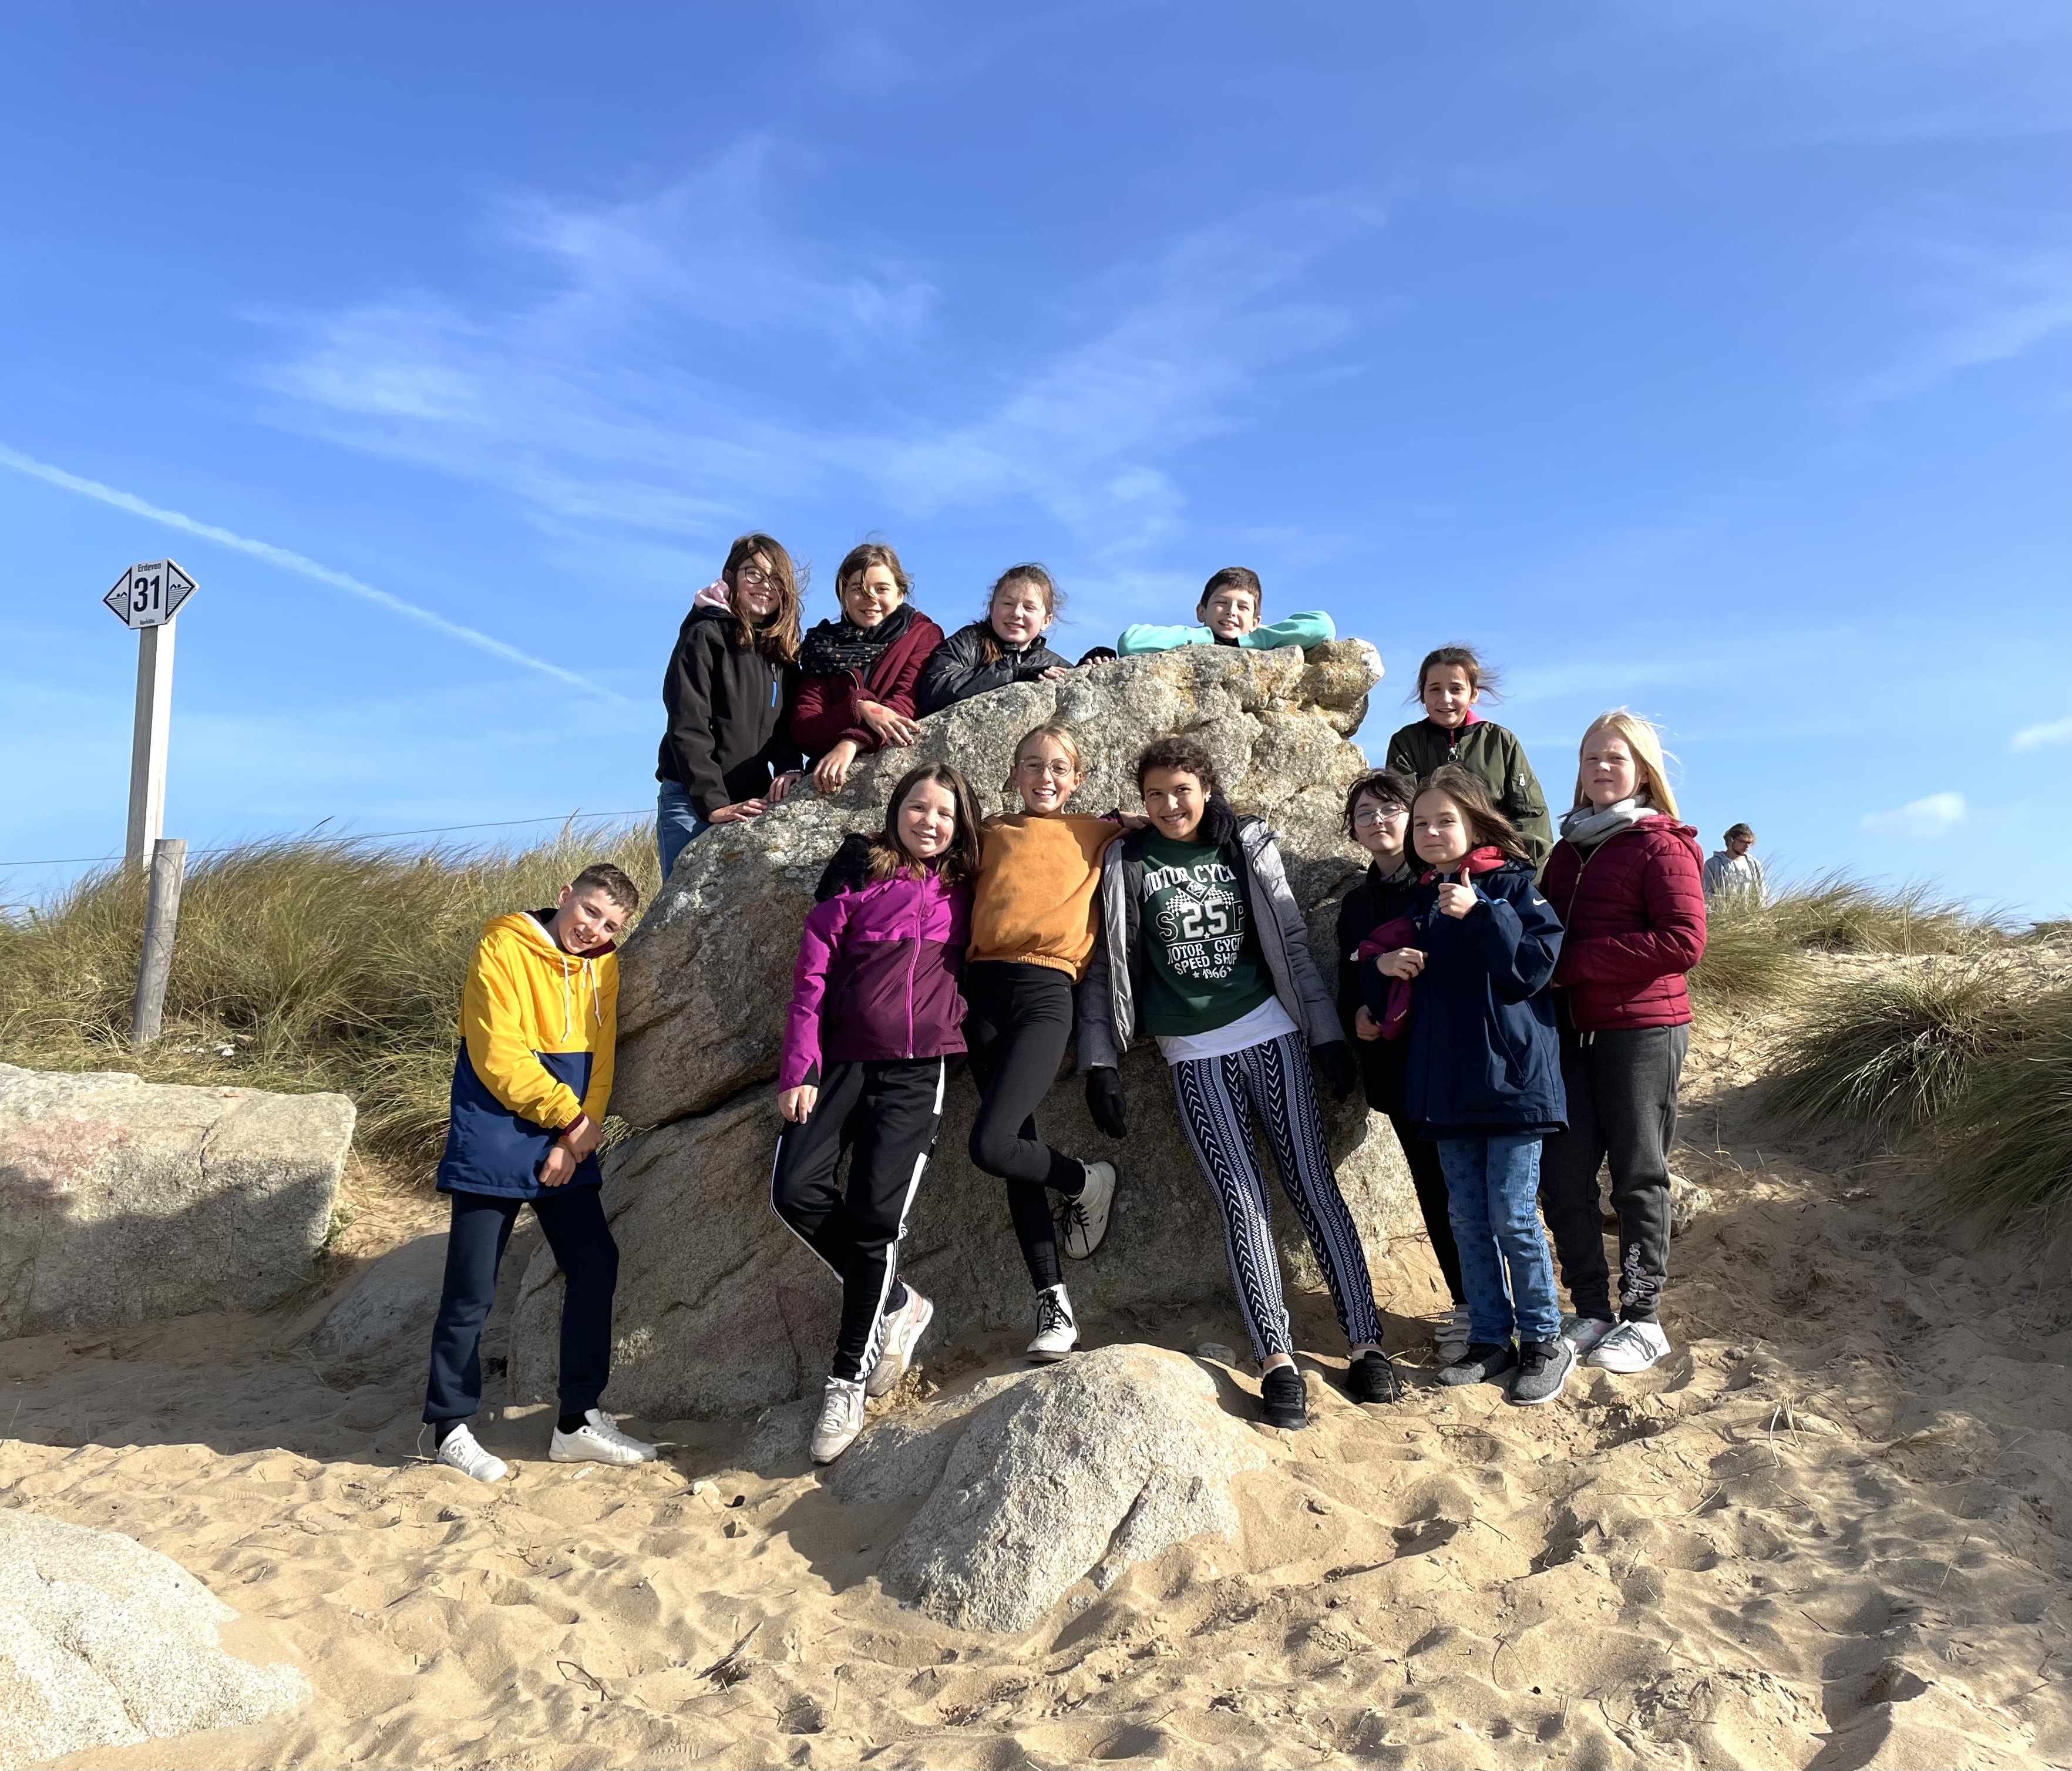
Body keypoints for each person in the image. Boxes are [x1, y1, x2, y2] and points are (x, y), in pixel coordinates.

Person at [1081, 735, 1397, 1429]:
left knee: (1313, 1185)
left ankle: (1366, 1342)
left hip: (1271, 1034)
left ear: (1207, 789)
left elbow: (1289, 943)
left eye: (1183, 790)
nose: (1170, 804)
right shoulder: (1127, 860)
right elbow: (1106, 966)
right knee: (1242, 1200)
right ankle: (1277, 1359)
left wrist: (1327, 1034)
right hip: (1192, 1053)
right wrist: (1100, 1061)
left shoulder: (1244, 843)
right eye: (1156, 794)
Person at [771, 763, 981, 1463]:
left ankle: (847, 1380)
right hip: (840, 1063)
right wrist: (800, 1067)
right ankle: (897, 1304)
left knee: (874, 1224)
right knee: (793, 1190)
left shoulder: (967, 885)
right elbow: (812, 974)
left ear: (960, 825)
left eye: (945, 813)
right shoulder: (858, 870)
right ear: (896, 810)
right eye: (919, 807)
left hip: (919, 1073)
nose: (930, 821)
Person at [423, 863, 656, 1483]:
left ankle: (577, 1421)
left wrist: (574, 1139)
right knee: (472, 1286)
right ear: (564, 896)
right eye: (589, 911)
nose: (595, 929)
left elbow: (601, 1059)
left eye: (610, 924)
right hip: (494, 1129)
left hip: (565, 1138)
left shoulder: (604, 964)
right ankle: (449, 1427)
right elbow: (497, 1054)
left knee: (595, 1263)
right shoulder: (502, 944)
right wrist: (569, 1121)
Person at [1358, 765, 1569, 1406]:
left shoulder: (1514, 888)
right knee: (1468, 1218)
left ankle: (1545, 1340)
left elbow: (1532, 969)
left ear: (1475, 823)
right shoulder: (1423, 901)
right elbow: (1382, 983)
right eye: (1421, 823)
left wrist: (1483, 914)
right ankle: (1490, 1339)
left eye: (1444, 820)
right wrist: (1381, 967)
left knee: (1512, 1214)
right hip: (1447, 1090)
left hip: (1512, 1086)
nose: (1429, 832)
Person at [1538, 712, 1706, 1376]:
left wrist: (1576, 964)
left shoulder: (1663, 844)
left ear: (1642, 770)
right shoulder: (1566, 850)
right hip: (1569, 1033)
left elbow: (1683, 941)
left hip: (1643, 1030)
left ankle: (1643, 1318)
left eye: (1616, 757)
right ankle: (1591, 1310)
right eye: (1591, 758)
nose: (1602, 768)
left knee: (1638, 1176)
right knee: (1563, 1178)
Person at [960, 722, 1125, 1360]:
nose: (1045, 777)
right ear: (1013, 774)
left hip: (1046, 993)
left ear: (1077, 779)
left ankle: (1086, 1181)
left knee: (992, 1143)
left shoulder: (1097, 831)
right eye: (1032, 765)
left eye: (1059, 767)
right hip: (980, 997)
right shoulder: (988, 833)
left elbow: (1174, 817)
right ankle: (1054, 1303)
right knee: (1013, 1146)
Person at [1333, 767, 1469, 1363]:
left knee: (1476, 1191)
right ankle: (1467, 1305)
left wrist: (1384, 967)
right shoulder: (1356, 905)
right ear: (1354, 831)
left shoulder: (1443, 883)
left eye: (1390, 809)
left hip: (1455, 1064)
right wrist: (1360, 1010)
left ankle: (1504, 1308)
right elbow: (1346, 982)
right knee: (1434, 1191)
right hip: (1397, 1071)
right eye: (1364, 814)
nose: (1378, 821)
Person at [654, 533, 805, 881]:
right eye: (754, 573)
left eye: (776, 578)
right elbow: (688, 724)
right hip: (691, 800)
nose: (765, 585)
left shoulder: (780, 652)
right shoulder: (705, 635)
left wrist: (788, 766)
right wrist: (713, 804)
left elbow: (785, 725)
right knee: (683, 908)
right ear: (730, 576)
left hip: (750, 799)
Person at [791, 542, 946, 794]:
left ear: (900, 595)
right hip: (826, 779)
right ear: (843, 595)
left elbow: (905, 703)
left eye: (881, 589)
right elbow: (804, 727)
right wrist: (861, 708)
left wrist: (851, 742)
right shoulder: (822, 647)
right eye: (858, 589)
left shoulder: (923, 635)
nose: (870, 598)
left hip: (902, 775)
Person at [1384, 646, 1552, 869]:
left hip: (1497, 868)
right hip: (1430, 869)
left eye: (1456, 689)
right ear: (1422, 695)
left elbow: (1532, 815)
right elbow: (1403, 810)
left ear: (1473, 694)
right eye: (1435, 689)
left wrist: (1510, 863)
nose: (1446, 699)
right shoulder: (1406, 743)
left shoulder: (1501, 741)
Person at [917, 563, 1111, 714]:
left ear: (1046, 621)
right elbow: (933, 691)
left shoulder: (1052, 664)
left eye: (1029, 608)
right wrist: (1012, 673)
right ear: (992, 608)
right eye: (1008, 604)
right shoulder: (968, 642)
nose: (1017, 613)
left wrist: (1084, 670)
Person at [1115, 566, 1335, 657]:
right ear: (1202, 612)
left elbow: (1323, 626)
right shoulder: (1191, 638)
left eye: (1243, 607)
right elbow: (1131, 643)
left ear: (1256, 622)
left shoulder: (1261, 640)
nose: (1231, 612)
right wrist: (1206, 637)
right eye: (1222, 603)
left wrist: (1252, 640)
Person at [1703, 824, 1767, 905]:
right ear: (1730, 840)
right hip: (1722, 911)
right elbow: (1705, 894)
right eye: (1743, 842)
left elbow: (1762, 895)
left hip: (1749, 912)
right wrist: (1725, 901)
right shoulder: (1713, 864)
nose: (1747, 846)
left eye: (1749, 843)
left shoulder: (1754, 865)